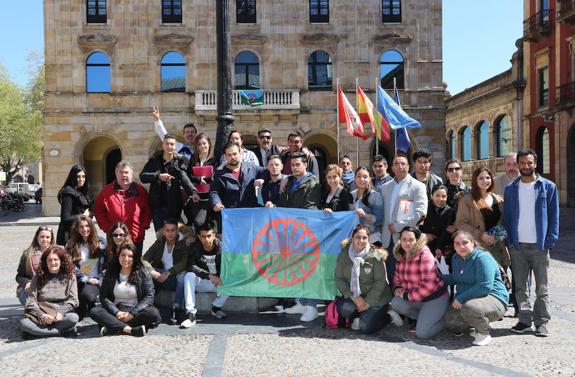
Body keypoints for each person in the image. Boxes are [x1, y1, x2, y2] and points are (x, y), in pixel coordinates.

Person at [504, 149, 559, 337]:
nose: (526, 166)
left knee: (542, 287)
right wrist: (510, 241)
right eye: (522, 163)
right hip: (517, 246)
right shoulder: (511, 188)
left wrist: (550, 240)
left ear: (535, 163)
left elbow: (554, 216)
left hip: (540, 246)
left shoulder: (548, 187)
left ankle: (542, 322)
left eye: (530, 163)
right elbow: (508, 216)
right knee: (520, 287)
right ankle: (525, 320)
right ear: (518, 164)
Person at [441, 231, 509, 346]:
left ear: (472, 243)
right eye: (456, 243)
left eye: (465, 243)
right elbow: (455, 277)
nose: (461, 246)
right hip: (470, 299)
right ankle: (479, 320)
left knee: (470, 308)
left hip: (494, 298)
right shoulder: (456, 258)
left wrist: (461, 299)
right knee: (451, 323)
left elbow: (484, 286)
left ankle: (483, 332)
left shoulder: (482, 258)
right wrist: (435, 277)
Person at [334, 224, 402, 334]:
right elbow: (339, 278)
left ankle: (389, 317)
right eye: (358, 237)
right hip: (356, 296)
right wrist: (355, 298)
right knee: (344, 308)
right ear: (352, 238)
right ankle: (359, 316)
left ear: (368, 239)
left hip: (377, 298)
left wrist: (367, 302)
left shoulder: (376, 256)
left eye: (364, 237)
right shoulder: (344, 255)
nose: (361, 240)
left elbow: (380, 282)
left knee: (365, 328)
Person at [278, 152, 322, 321]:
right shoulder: (290, 181)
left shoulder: (313, 183)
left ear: (306, 165)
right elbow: (285, 204)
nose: (295, 168)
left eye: (298, 165)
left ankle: (312, 307)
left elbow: (310, 207)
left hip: (307, 232)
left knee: (308, 271)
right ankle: (301, 302)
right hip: (293, 232)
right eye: (292, 165)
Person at [90, 243, 161, 337]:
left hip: (136, 311)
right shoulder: (110, 272)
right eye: (123, 255)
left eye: (130, 256)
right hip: (115, 311)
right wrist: (116, 312)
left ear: (135, 258)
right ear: (118, 256)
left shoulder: (143, 272)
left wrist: (132, 314)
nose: (126, 259)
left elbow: (149, 297)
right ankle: (130, 330)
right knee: (95, 311)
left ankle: (113, 327)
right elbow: (104, 296)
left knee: (153, 313)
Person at [390, 227, 449, 339]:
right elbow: (397, 276)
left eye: (411, 239)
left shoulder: (424, 255)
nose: (407, 243)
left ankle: (445, 321)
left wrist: (408, 296)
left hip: (434, 298)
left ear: (417, 240)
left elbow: (429, 285)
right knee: (396, 302)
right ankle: (424, 318)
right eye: (404, 239)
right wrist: (397, 287)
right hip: (417, 298)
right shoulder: (401, 254)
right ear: (400, 240)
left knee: (422, 333)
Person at [380, 154, 428, 282]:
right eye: (396, 164)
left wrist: (398, 226)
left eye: (403, 164)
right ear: (392, 168)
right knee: (390, 272)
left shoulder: (418, 186)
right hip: (387, 237)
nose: (400, 166)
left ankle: (406, 299)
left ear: (408, 167)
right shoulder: (385, 187)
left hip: (406, 238)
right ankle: (392, 297)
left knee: (407, 273)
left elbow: (421, 213)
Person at [140, 133, 198, 231]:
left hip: (174, 206)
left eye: (172, 144)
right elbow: (142, 176)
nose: (169, 146)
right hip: (157, 206)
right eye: (167, 144)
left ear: (175, 146)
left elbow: (185, 178)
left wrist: (193, 191)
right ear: (163, 145)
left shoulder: (180, 162)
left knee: (173, 236)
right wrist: (158, 176)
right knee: (160, 236)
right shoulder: (154, 160)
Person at [20, 246, 79, 338]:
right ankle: (61, 332)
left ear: (61, 261)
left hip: (61, 312)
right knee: (24, 323)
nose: (53, 263)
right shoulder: (38, 276)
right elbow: (31, 301)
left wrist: (60, 312)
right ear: (45, 262)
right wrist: (42, 315)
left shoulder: (70, 276)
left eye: (56, 259)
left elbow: (74, 300)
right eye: (49, 260)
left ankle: (37, 332)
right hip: (42, 310)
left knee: (73, 318)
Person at [455, 167, 508, 268]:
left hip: (497, 247)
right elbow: (460, 224)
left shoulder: (498, 199)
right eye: (481, 178)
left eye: (488, 178)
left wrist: (496, 236)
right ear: (475, 180)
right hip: (477, 247)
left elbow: (503, 222)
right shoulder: (467, 200)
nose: (485, 181)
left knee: (499, 280)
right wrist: (481, 235)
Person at [94, 161, 152, 251]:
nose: (124, 175)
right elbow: (98, 211)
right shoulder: (106, 191)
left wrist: (143, 227)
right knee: (114, 264)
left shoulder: (140, 191)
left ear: (131, 174)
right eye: (121, 172)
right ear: (116, 174)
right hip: (115, 238)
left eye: (126, 172)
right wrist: (108, 228)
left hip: (136, 238)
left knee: (135, 264)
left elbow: (147, 211)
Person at [180, 222, 229, 328]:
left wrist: (220, 277)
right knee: (189, 276)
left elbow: (229, 266)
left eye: (209, 236)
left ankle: (216, 307)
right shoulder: (195, 247)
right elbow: (191, 266)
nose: (206, 240)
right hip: (203, 281)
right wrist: (209, 276)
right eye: (203, 236)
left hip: (218, 283)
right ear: (199, 237)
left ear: (214, 235)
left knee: (231, 280)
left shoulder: (222, 247)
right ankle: (191, 314)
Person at [210, 142, 267, 231]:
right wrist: (216, 202)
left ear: (240, 153)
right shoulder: (219, 174)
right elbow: (214, 191)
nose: (232, 157)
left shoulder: (252, 168)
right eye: (229, 155)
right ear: (225, 156)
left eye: (235, 153)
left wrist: (262, 179)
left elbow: (266, 171)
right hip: (231, 216)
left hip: (251, 215)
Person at [143, 219, 188, 323]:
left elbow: (184, 263)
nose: (170, 233)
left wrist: (169, 273)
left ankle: (176, 308)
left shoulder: (183, 243)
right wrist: (152, 271)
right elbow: (144, 259)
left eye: (173, 230)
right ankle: (147, 304)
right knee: (145, 272)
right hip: (163, 276)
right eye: (167, 230)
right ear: (164, 232)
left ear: (177, 231)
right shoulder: (160, 242)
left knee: (182, 276)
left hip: (176, 278)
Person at [65, 215, 106, 318]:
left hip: (95, 279)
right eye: (81, 227)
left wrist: (103, 275)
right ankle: (83, 308)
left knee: (88, 296)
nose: (84, 229)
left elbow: (107, 260)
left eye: (87, 226)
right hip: (78, 279)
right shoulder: (71, 244)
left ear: (91, 227)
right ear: (77, 229)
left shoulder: (100, 242)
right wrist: (86, 278)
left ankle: (89, 308)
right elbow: (70, 265)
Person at [16, 226, 56, 305]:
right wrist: (27, 283)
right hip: (33, 288)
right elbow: (19, 276)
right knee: (27, 298)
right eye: (42, 237)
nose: (44, 239)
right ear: (37, 237)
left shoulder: (58, 253)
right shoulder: (27, 254)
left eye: (47, 237)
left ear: (51, 239)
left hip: (52, 288)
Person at [185, 132, 216, 230]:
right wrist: (199, 179)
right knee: (199, 223)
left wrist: (206, 179)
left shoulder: (214, 159)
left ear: (209, 144)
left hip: (210, 198)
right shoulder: (193, 159)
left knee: (211, 225)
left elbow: (217, 176)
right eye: (199, 144)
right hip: (197, 197)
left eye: (204, 143)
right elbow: (188, 175)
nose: (202, 146)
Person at [56, 165, 91, 245]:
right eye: (78, 176)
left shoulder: (81, 191)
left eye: (83, 176)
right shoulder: (68, 192)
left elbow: (87, 211)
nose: (81, 179)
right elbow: (65, 217)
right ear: (73, 177)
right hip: (70, 235)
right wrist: (83, 216)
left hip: (80, 233)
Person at [419, 185, 456, 260]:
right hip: (422, 244)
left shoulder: (449, 212)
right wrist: (423, 236)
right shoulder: (424, 207)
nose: (440, 199)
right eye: (437, 196)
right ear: (432, 196)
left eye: (444, 196)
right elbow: (417, 226)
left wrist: (439, 247)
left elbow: (444, 232)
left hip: (440, 246)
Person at [351, 166, 383, 244]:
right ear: (355, 179)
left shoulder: (375, 196)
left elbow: (379, 219)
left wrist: (364, 215)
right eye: (358, 176)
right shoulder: (351, 195)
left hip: (371, 239)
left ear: (370, 179)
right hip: (355, 239)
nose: (362, 179)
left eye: (365, 177)